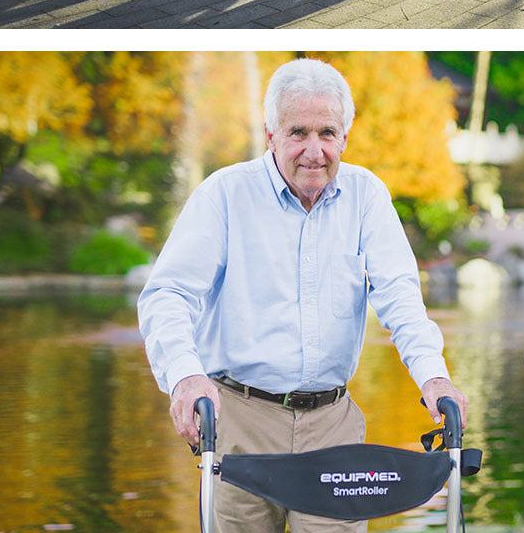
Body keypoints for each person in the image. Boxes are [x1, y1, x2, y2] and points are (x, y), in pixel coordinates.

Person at [138, 58, 467, 533]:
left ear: (345, 137)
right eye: (298, 132)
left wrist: (434, 377)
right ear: (271, 135)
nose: (314, 151)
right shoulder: (225, 194)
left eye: (327, 133)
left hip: (333, 425)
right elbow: (167, 293)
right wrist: (185, 376)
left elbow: (400, 298)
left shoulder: (367, 196)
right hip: (241, 424)